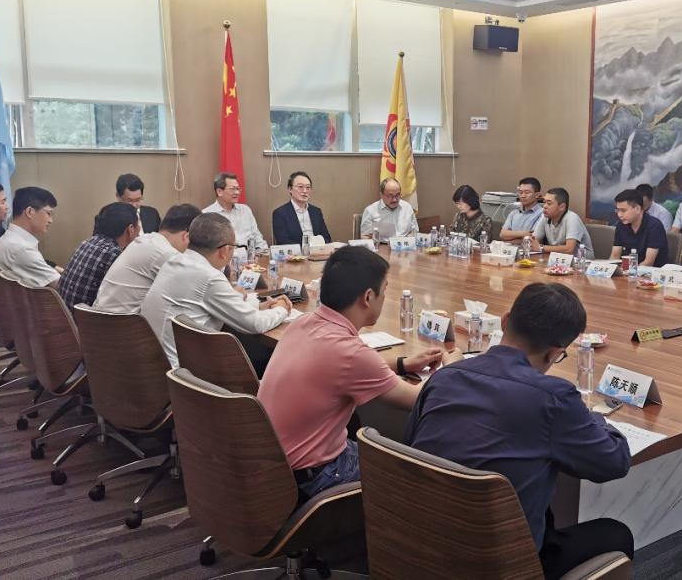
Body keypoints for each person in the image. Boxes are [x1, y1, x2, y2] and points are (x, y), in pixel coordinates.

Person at [404, 283, 633, 579]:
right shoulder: (553, 399)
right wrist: (594, 418)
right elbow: (614, 461)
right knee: (616, 535)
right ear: (554, 354)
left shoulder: (444, 377)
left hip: (415, 546)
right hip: (500, 564)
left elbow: (409, 446)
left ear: (504, 320)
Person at [258, 246, 461, 500]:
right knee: (413, 480)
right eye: (384, 290)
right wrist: (452, 368)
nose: (385, 296)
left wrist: (402, 364)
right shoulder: (350, 353)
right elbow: (420, 399)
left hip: (270, 468)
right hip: (311, 478)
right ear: (368, 297)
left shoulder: (304, 323)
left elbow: (346, 366)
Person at [141, 213, 291, 368]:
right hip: (183, 371)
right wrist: (282, 309)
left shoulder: (174, 261)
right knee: (269, 355)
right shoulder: (208, 276)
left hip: (154, 364)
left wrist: (257, 306)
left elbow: (213, 303)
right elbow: (255, 324)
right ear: (224, 250)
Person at [94, 204, 201, 314]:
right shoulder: (165, 253)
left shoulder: (146, 240)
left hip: (100, 317)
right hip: (120, 321)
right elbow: (196, 285)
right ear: (186, 236)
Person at [58, 202, 138, 309]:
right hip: (83, 318)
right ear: (131, 229)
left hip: (63, 313)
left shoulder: (87, 242)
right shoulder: (115, 255)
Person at [0, 186, 62, 289]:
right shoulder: (21, 248)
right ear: (29, 212)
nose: (51, 220)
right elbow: (63, 287)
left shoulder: (11, 238)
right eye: (48, 213)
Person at [203, 172, 268, 254]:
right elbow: (207, 247)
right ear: (219, 191)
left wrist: (266, 254)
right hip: (224, 258)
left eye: (238, 189)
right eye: (232, 189)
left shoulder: (245, 210)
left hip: (251, 257)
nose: (237, 192)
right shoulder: (206, 215)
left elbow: (257, 238)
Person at [608, 189, 667, 266]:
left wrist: (627, 271)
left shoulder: (654, 226)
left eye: (623, 210)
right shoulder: (621, 225)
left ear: (638, 209)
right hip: (628, 270)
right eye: (617, 210)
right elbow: (614, 256)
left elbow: (648, 263)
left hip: (652, 271)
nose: (619, 215)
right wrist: (610, 269)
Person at [272, 171, 332, 246]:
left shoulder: (316, 211)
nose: (305, 191)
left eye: (308, 187)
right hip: (296, 253)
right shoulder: (280, 213)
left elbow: (327, 238)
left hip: (318, 251)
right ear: (290, 189)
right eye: (300, 187)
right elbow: (283, 241)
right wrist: (310, 244)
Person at [531, 188, 593, 255]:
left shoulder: (572, 218)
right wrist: (533, 244)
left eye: (549, 203)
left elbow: (569, 249)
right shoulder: (545, 217)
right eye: (544, 202)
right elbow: (533, 241)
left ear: (562, 207)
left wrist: (541, 248)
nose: (544, 206)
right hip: (557, 257)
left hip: (582, 259)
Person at [361, 177, 418, 241]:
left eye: (397, 195)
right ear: (381, 195)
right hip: (381, 245)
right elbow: (365, 236)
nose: (394, 199)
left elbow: (414, 231)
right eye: (390, 196)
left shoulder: (407, 207)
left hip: (404, 245)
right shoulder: (370, 211)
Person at [500, 177, 543, 242]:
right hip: (509, 248)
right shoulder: (514, 213)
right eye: (520, 192)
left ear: (537, 195)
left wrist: (510, 238)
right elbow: (502, 235)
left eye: (527, 192)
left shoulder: (542, 213)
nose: (523, 196)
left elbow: (532, 239)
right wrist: (524, 233)